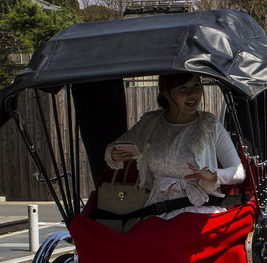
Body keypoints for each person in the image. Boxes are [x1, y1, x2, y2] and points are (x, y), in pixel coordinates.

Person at [105, 73, 245, 216]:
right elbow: (112, 148)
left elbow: (239, 171)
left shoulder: (209, 124)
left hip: (199, 209)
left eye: (196, 86)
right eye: (183, 88)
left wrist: (214, 175)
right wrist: (115, 154)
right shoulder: (150, 123)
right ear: (166, 94)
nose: (192, 94)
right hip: (157, 210)